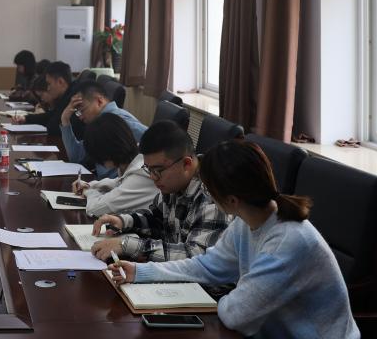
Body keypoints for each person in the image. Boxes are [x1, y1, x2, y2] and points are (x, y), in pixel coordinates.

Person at [108, 140, 359, 339]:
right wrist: (140, 272)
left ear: (231, 200)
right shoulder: (247, 221)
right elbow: (206, 266)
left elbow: (236, 315)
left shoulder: (287, 243)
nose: (205, 193)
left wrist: (233, 297)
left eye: (208, 189)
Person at [90, 120, 229, 263]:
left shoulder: (212, 196)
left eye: (157, 170)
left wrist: (127, 245)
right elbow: (156, 219)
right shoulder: (174, 184)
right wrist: (123, 221)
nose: (152, 177)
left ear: (186, 164)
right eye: (148, 169)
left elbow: (195, 257)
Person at [71, 114, 157, 217]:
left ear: (106, 152)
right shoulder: (135, 159)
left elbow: (95, 209)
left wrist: (88, 191)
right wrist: (91, 185)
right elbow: (118, 183)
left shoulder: (140, 174)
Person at [60, 81, 147, 177]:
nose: (80, 117)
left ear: (99, 101)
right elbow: (77, 156)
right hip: (105, 182)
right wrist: (65, 119)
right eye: (77, 113)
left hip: (121, 183)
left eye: (82, 110)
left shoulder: (119, 120)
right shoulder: (99, 125)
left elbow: (151, 138)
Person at [14, 61, 73, 128]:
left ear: (60, 82)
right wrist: (26, 119)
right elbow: (51, 115)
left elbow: (53, 127)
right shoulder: (65, 97)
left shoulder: (74, 99)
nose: (48, 88)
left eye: (49, 84)